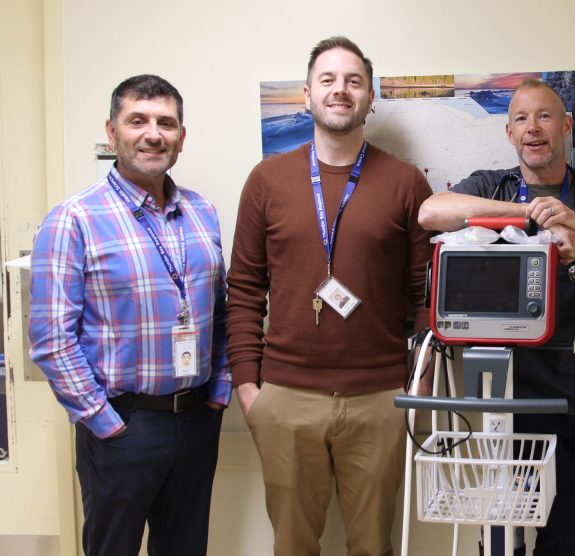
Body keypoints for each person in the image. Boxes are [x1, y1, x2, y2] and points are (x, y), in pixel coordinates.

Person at [227, 36, 434, 556]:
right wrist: (250, 390)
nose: (340, 90)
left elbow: (427, 291)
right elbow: (245, 289)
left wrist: (422, 379)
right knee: (293, 546)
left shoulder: (407, 184)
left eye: (353, 81)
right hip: (286, 397)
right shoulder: (266, 181)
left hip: (381, 399)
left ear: (369, 98)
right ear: (307, 95)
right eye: (328, 80)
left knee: (373, 546)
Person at [417, 79, 575, 556]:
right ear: (509, 133)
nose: (532, 128)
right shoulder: (489, 187)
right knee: (500, 537)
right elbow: (430, 213)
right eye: (520, 118)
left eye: (544, 116)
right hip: (504, 398)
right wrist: (526, 215)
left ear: (567, 125)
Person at [29, 74, 230, 556]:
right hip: (123, 423)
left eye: (166, 122)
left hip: (196, 418)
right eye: (137, 120)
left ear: (182, 135)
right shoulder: (73, 218)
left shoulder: (202, 213)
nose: (153, 133)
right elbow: (51, 339)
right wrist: (102, 420)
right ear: (112, 130)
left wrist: (219, 391)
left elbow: (221, 315)